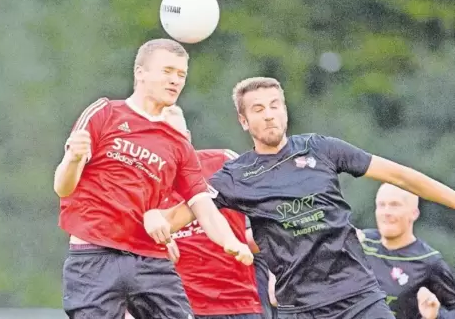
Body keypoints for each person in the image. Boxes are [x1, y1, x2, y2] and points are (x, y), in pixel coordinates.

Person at [154, 76, 455, 319]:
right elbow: (174, 218)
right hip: (299, 309)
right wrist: (157, 225)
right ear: (243, 121)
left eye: (275, 105)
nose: (270, 115)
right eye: (258, 109)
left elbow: (402, 176)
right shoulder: (234, 176)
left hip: (359, 298)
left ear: (285, 110)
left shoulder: (321, 149)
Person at [53, 38, 253, 319]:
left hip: (151, 261)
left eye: (181, 75)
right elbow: (63, 187)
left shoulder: (179, 145)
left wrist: (229, 241)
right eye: (167, 71)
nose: (175, 81)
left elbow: (203, 206)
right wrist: (73, 159)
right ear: (140, 73)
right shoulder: (105, 112)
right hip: (94, 256)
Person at [152, 105, 265, 319]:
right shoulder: (139, 185)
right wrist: (154, 242)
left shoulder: (225, 163)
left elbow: (268, 222)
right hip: (177, 308)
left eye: (175, 138)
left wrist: (276, 270)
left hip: (238, 304)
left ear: (187, 137)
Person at [360, 183, 455, 319]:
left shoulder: (429, 262)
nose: (386, 212)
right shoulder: (361, 243)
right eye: (381, 205)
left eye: (394, 205)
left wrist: (435, 316)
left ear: (414, 213)